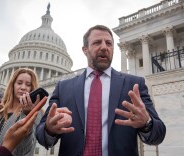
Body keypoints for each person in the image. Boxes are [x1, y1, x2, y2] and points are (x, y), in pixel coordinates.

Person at [36, 25, 166, 156]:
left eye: (109, 43)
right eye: (97, 42)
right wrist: (49, 129)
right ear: (85, 50)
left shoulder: (134, 85)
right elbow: (42, 137)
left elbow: (158, 135)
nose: (104, 47)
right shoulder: (64, 87)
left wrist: (146, 123)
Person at [0, 68, 42, 156]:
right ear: (12, 85)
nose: (23, 87)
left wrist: (27, 115)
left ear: (32, 88)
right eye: (19, 83)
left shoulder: (34, 112)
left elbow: (27, 149)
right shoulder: (0, 113)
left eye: (28, 85)